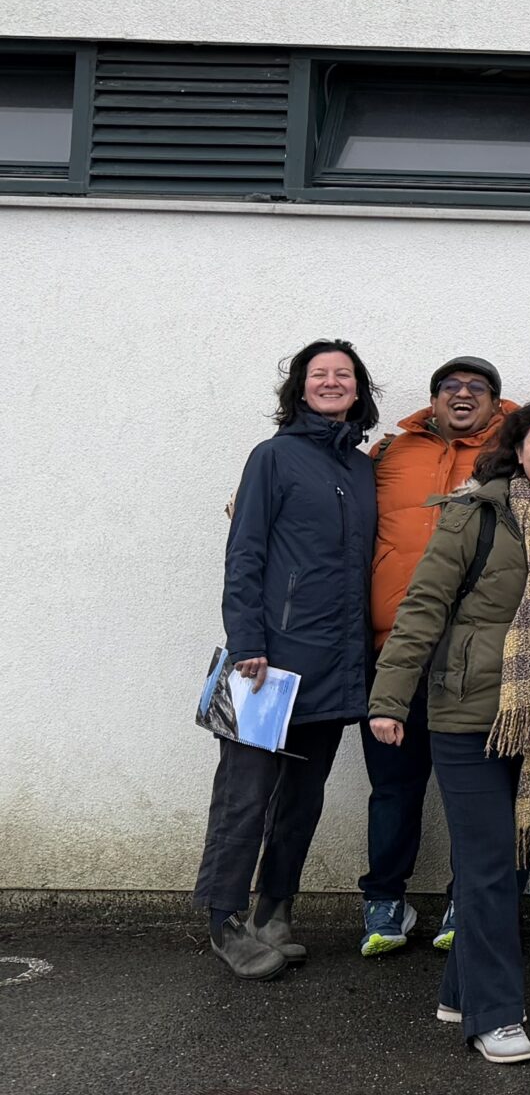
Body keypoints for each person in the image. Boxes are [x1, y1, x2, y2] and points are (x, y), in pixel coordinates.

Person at [370, 398, 530, 1064]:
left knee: (508, 865)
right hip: (468, 716)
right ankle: (496, 1014)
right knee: (486, 867)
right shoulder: (475, 513)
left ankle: (461, 989)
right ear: (518, 448)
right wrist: (389, 699)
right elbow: (423, 604)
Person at [196, 340, 382, 981]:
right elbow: (243, 554)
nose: (331, 382)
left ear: (359, 391)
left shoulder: (362, 469)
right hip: (265, 667)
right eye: (318, 374)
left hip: (335, 666)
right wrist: (246, 641)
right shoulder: (272, 457)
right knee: (243, 797)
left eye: (344, 375)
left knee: (302, 800)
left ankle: (276, 911)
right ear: (299, 389)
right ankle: (224, 919)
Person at [360, 354, 513, 960]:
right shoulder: (389, 456)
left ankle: (463, 897)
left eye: (478, 388)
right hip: (393, 647)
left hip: (472, 657)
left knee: (470, 789)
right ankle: (384, 899)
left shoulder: (514, 455)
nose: (463, 394)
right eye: (450, 386)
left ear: (497, 403)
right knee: (392, 785)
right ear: (433, 400)